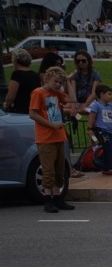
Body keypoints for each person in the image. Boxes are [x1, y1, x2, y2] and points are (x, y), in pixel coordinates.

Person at [29, 67, 75, 213]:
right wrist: (52, 125)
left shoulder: (56, 93)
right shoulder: (38, 93)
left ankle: (58, 198)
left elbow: (72, 99)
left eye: (60, 82)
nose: (57, 85)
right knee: (48, 170)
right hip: (46, 137)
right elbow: (33, 114)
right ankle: (48, 199)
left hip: (58, 135)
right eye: (55, 81)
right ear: (47, 78)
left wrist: (68, 82)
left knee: (59, 169)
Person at [86, 83, 112, 177]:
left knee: (108, 149)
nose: (111, 96)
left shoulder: (110, 106)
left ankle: (106, 168)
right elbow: (92, 117)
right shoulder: (96, 105)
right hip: (101, 131)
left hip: (110, 131)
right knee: (109, 149)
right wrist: (90, 128)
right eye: (109, 94)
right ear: (102, 95)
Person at [4, 49, 41, 114]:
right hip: (34, 110)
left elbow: (10, 97)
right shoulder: (35, 75)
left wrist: (6, 105)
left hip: (20, 110)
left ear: (15, 61)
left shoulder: (17, 74)